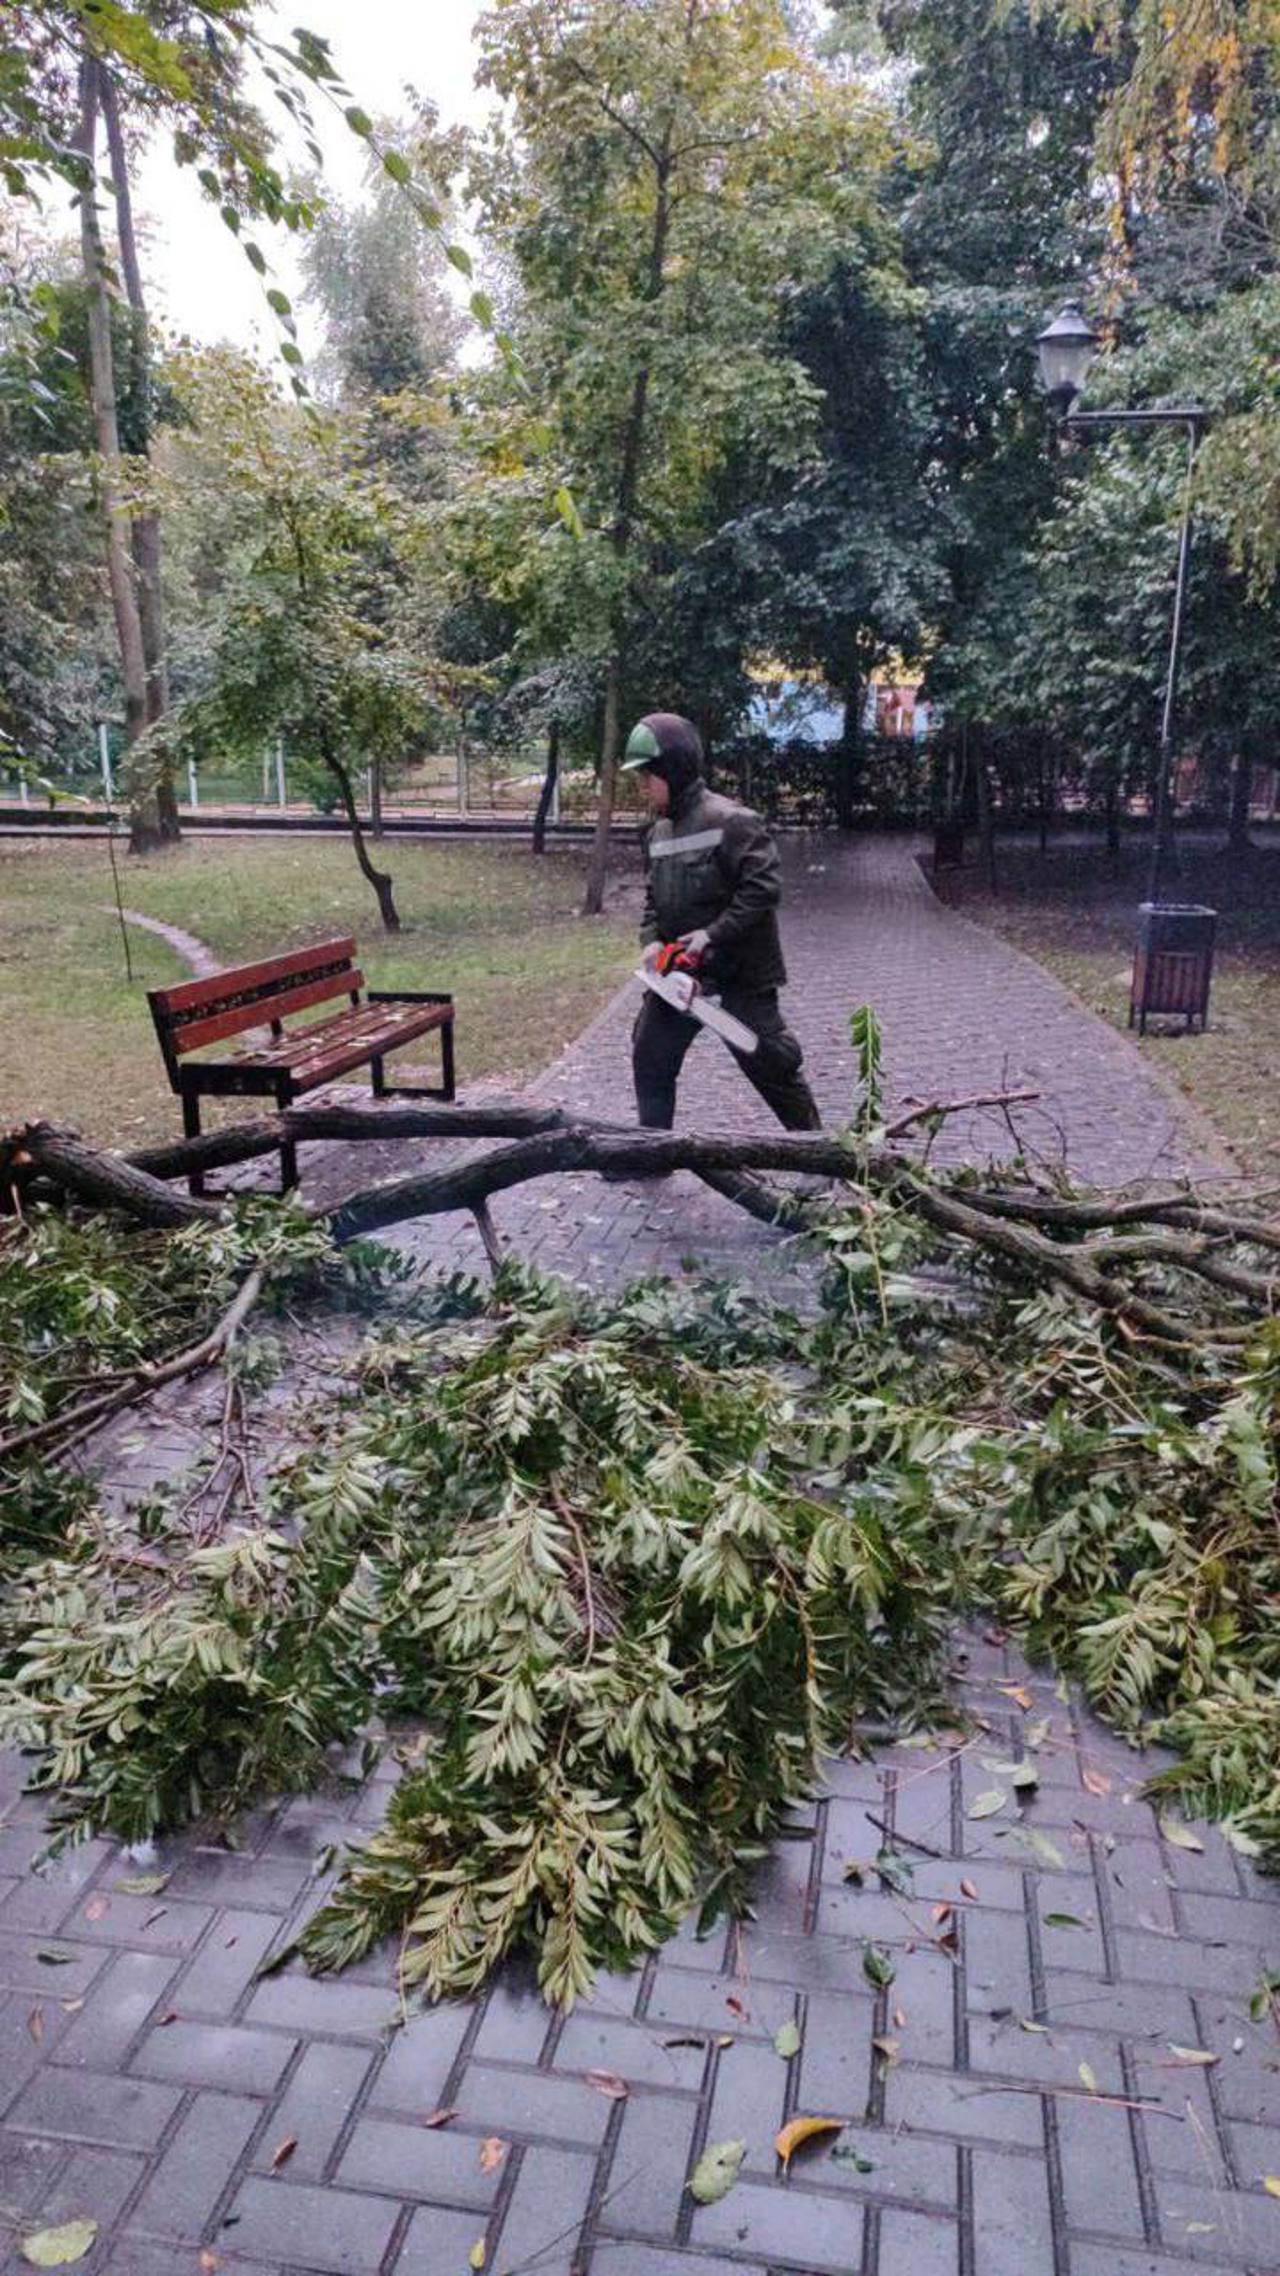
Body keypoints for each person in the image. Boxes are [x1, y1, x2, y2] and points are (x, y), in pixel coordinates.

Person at [619, 710, 821, 1132]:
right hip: (681, 978)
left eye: (647, 776)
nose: (642, 786)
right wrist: (652, 939)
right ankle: (652, 1150)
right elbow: (655, 900)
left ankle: (819, 1151)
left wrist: (712, 934)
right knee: (650, 1056)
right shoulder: (658, 834)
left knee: (772, 1063)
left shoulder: (733, 821)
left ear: (672, 770)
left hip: (740, 974)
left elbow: (763, 889)